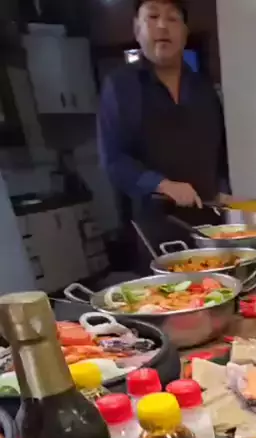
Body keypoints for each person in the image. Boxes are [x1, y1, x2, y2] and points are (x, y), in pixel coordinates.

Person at [98, 0, 234, 272]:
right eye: (153, 17)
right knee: (171, 295)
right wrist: (162, 184)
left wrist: (224, 190)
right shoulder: (120, 86)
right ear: (137, 29)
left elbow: (220, 151)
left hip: (210, 225)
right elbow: (113, 159)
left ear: (184, 32)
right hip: (155, 229)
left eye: (172, 19)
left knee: (222, 288)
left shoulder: (204, 88)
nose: (162, 26)